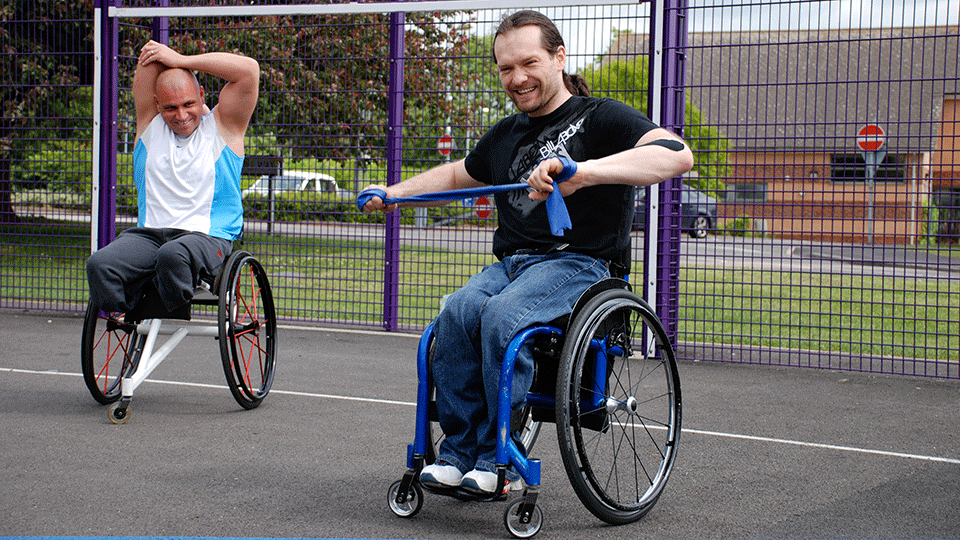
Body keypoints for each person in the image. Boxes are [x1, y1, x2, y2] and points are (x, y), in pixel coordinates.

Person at [360, 10, 694, 495]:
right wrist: (394, 192)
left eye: (529, 62)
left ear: (559, 57)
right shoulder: (506, 133)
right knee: (456, 312)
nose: (516, 78)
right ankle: (459, 453)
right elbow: (456, 175)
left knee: (502, 316)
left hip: (580, 264)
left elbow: (676, 153)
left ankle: (503, 459)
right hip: (515, 264)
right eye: (504, 69)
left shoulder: (600, 117)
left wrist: (586, 171)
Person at [86, 41, 259, 319]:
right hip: (150, 235)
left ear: (202, 94)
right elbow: (150, 58)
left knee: (172, 255)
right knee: (100, 264)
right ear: (156, 103)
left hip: (206, 237)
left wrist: (182, 59)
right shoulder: (149, 126)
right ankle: (132, 310)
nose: (181, 115)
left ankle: (170, 302)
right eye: (170, 107)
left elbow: (248, 70)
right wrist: (165, 57)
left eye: (189, 103)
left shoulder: (224, 127)